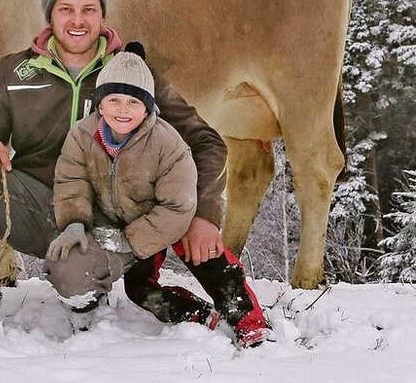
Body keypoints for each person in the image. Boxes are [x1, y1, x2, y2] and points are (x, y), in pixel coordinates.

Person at [0, 0, 238, 330]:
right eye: (66, 9)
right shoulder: (14, 72)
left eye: (89, 10)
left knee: (76, 280)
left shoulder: (130, 73)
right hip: (34, 206)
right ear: (50, 15)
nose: (77, 20)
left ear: (102, 16)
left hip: (107, 224)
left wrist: (205, 213)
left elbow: (206, 142)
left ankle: (88, 283)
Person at [47, 47, 271, 347]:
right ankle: (195, 313)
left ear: (148, 108)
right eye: (113, 100)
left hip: (169, 216)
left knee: (207, 258)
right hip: (130, 221)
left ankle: (248, 319)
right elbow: (70, 180)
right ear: (99, 104)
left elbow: (179, 204)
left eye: (133, 102)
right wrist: (75, 221)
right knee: (139, 289)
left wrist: (200, 216)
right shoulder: (83, 135)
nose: (123, 109)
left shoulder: (166, 142)